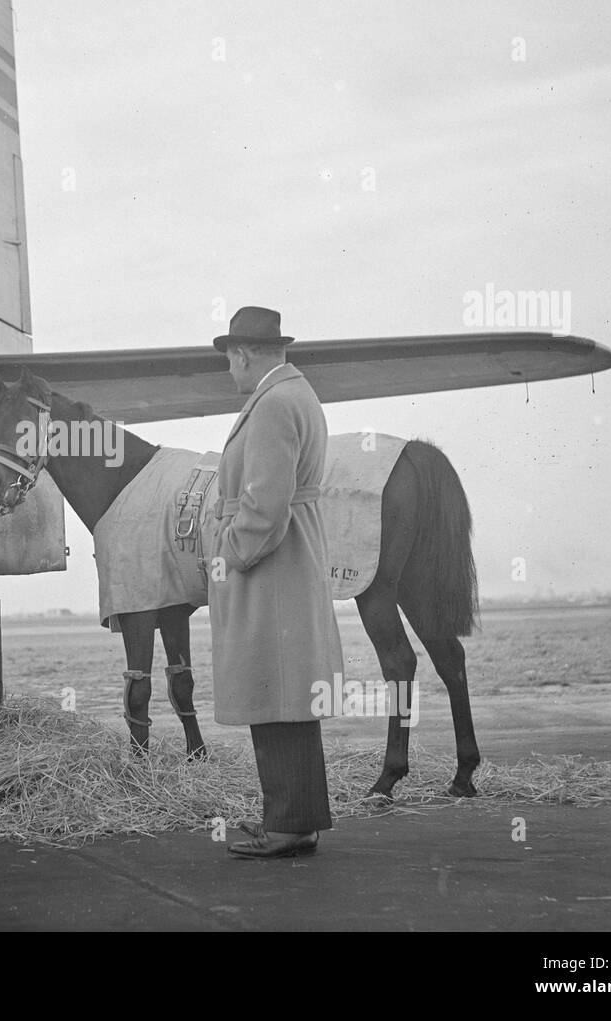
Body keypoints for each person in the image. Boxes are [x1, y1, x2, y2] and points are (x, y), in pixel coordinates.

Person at [208, 305, 344, 859]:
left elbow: (265, 507)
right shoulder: (295, 394)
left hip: (273, 570)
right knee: (285, 695)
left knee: (276, 694)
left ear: (242, 354)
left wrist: (230, 550)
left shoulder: (272, 404)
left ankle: (288, 825)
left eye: (229, 362)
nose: (229, 373)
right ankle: (296, 819)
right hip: (289, 565)